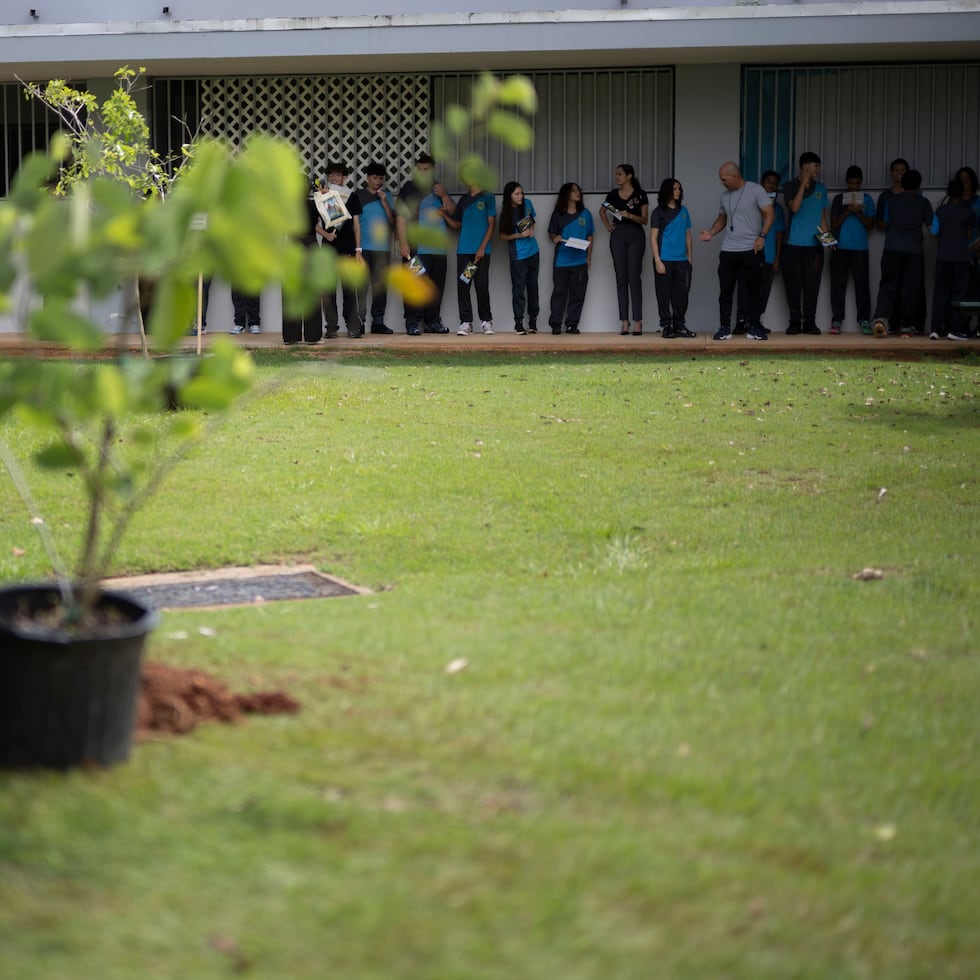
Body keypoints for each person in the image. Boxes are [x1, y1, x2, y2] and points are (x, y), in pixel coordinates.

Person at [698, 161, 773, 341]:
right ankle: (724, 327)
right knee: (726, 290)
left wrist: (762, 235)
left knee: (754, 289)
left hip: (751, 248)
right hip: (729, 249)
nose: (722, 183)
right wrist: (711, 232)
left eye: (724, 179)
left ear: (735, 176)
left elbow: (770, 213)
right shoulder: (725, 196)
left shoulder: (756, 190)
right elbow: (722, 218)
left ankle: (754, 327)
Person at [395, 153, 454, 335]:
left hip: (438, 250)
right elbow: (400, 217)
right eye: (419, 169)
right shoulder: (408, 188)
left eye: (426, 169)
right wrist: (403, 243)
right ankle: (412, 323)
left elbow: (453, 212)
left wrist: (444, 195)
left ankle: (432, 322)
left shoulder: (439, 189)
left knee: (436, 287)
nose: (422, 172)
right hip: (415, 249)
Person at [871, 168, 934, 337]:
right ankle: (906, 326)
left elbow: (883, 223)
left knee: (887, 285)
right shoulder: (923, 203)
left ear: (903, 183)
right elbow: (933, 231)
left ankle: (881, 319)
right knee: (910, 288)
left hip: (892, 248)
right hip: (914, 250)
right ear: (918, 185)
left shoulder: (891, 201)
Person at [782, 151, 830, 335]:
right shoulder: (789, 186)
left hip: (815, 247)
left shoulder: (821, 189)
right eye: (815, 166)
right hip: (793, 244)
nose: (818, 169)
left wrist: (828, 240)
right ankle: (795, 321)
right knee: (793, 285)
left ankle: (810, 321)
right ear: (804, 167)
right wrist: (803, 183)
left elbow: (822, 218)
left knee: (812, 284)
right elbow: (794, 207)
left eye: (818, 166)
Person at [600, 163, 648, 334]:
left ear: (629, 176)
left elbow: (644, 220)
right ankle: (624, 321)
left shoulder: (640, 195)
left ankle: (638, 321)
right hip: (618, 235)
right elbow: (602, 211)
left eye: (620, 174)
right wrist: (608, 226)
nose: (617, 177)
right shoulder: (613, 195)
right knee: (621, 278)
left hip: (635, 234)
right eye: (616, 174)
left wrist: (630, 215)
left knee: (634, 277)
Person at [318, 161, 364, 338]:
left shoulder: (351, 196)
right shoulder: (322, 195)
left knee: (349, 290)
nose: (333, 178)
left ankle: (353, 326)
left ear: (345, 177)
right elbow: (315, 224)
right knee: (328, 291)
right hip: (328, 250)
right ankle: (331, 326)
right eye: (330, 175)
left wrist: (358, 249)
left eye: (337, 175)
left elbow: (356, 225)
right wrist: (326, 235)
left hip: (348, 250)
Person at [735, 170, 783, 335]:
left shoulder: (778, 209)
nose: (771, 185)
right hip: (749, 253)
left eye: (774, 183)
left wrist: (777, 257)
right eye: (768, 182)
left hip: (768, 256)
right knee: (744, 289)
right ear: (761, 184)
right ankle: (741, 320)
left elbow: (778, 235)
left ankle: (756, 321)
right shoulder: (752, 204)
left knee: (763, 291)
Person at [829, 165, 876, 334]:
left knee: (862, 285)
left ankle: (864, 320)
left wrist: (859, 213)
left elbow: (871, 226)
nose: (854, 187)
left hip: (860, 249)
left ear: (861, 182)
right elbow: (834, 225)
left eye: (857, 184)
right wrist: (848, 211)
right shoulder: (838, 199)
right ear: (846, 182)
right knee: (837, 285)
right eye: (851, 183)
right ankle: (836, 320)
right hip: (840, 248)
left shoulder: (868, 199)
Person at [929, 177, 977, 340]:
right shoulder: (968, 212)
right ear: (963, 192)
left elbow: (933, 234)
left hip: (943, 257)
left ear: (948, 192)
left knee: (941, 293)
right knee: (960, 293)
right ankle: (956, 329)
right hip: (962, 257)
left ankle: (936, 328)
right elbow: (970, 234)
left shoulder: (940, 211)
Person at [446, 180, 496, 335]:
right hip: (464, 251)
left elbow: (491, 225)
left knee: (481, 285)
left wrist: (482, 248)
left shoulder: (488, 197)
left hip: (481, 252)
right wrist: (442, 214)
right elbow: (457, 225)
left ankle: (486, 321)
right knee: (464, 285)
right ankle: (466, 322)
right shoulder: (464, 199)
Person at [282, 177, 328, 345]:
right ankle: (303, 335)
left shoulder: (308, 204)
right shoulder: (306, 204)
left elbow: (334, 216)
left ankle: (299, 335)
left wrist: (323, 196)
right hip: (303, 244)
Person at [353, 161, 396, 334]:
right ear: (367, 178)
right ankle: (359, 323)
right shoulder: (358, 196)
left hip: (383, 250)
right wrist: (356, 249)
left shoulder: (387, 196)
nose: (378, 181)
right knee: (362, 288)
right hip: (363, 248)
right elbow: (354, 224)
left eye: (380, 178)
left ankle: (378, 322)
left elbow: (392, 222)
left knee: (380, 288)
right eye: (375, 178)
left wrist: (385, 202)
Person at [649, 177, 695, 339]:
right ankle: (667, 326)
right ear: (667, 190)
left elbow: (688, 236)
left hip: (682, 261)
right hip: (664, 259)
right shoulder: (658, 212)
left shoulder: (684, 211)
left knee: (682, 295)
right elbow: (653, 238)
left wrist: (690, 258)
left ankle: (679, 325)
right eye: (675, 189)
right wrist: (657, 260)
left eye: (679, 189)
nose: (678, 191)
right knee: (663, 294)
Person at [547, 182, 594, 335]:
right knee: (559, 293)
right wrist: (555, 237)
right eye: (574, 191)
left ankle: (572, 324)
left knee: (577, 294)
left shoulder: (585, 214)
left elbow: (590, 236)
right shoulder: (558, 214)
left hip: (580, 261)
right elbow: (552, 233)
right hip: (561, 260)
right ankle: (556, 324)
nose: (578, 193)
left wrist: (589, 257)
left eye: (578, 190)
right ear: (567, 194)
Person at [498, 181, 540, 334]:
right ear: (509, 196)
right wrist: (519, 235)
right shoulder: (506, 214)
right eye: (517, 194)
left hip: (533, 252)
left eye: (521, 193)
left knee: (533, 288)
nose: (520, 196)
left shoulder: (528, 203)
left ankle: (533, 321)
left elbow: (532, 220)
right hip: (518, 256)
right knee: (518, 290)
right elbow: (502, 236)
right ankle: (519, 323)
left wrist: (532, 230)